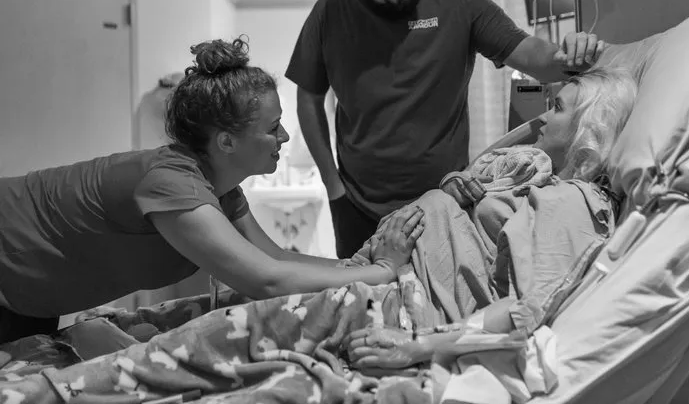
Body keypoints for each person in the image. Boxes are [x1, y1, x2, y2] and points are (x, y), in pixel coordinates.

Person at [0, 36, 425, 345]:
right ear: (226, 142)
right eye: (273, 127)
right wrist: (383, 271)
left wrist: (355, 267)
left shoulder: (219, 188)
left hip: (30, 291)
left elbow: (275, 257)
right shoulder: (171, 182)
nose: (283, 137)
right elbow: (266, 281)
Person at [285, 0, 609, 259]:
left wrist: (566, 57)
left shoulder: (458, 2)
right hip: (357, 205)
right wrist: (332, 186)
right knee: (361, 291)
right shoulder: (330, 12)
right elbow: (309, 98)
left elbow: (530, 54)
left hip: (443, 200)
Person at [343, 66, 638, 371]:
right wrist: (455, 187)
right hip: (385, 275)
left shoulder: (575, 203)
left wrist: (419, 344)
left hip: (404, 304)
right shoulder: (541, 179)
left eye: (557, 108)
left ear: (590, 129)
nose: (543, 117)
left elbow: (523, 308)